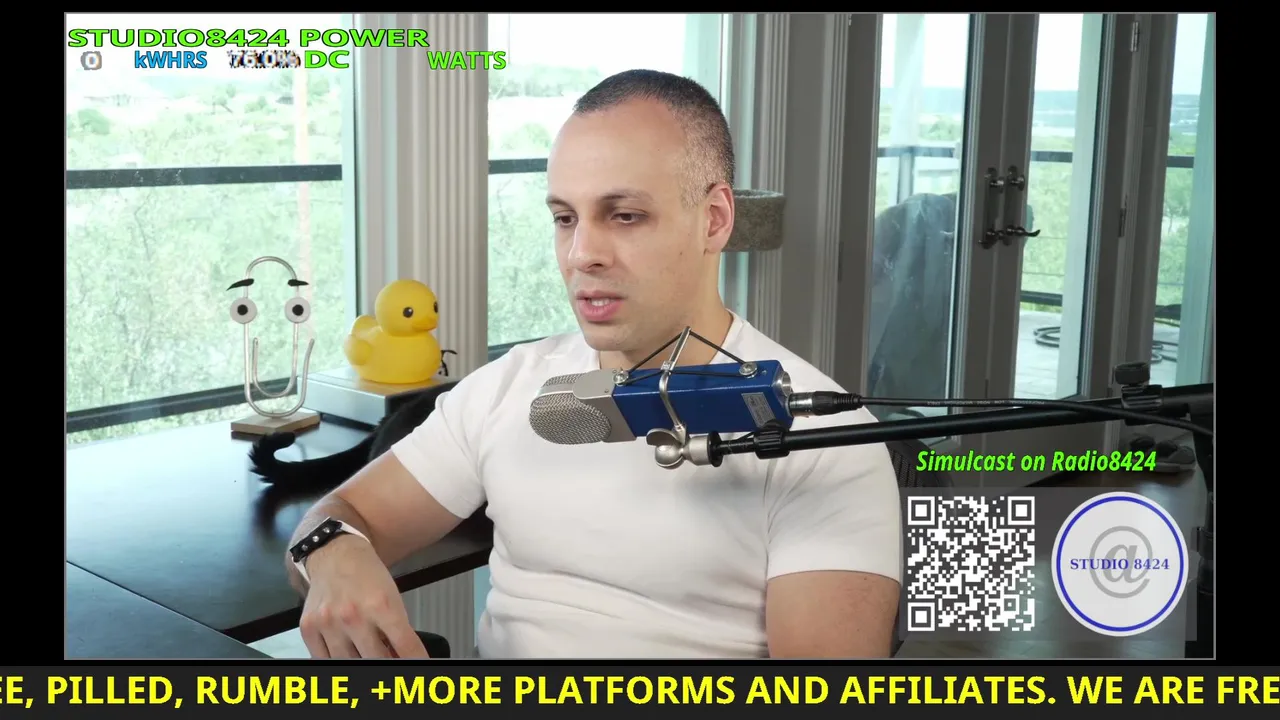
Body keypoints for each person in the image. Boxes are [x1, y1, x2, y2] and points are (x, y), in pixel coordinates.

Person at [285, 69, 903, 659]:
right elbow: (338, 517)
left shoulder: (826, 442)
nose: (582, 254)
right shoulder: (508, 388)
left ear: (714, 220)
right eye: (565, 218)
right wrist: (335, 555)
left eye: (625, 215)